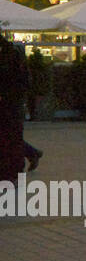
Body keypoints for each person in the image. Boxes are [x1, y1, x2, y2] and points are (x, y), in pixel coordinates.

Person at [0, 35, 31, 184]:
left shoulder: (11, 54)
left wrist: (8, 96)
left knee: (11, 138)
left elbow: (21, 80)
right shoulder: (11, 53)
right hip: (10, 103)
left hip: (10, 104)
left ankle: (13, 173)